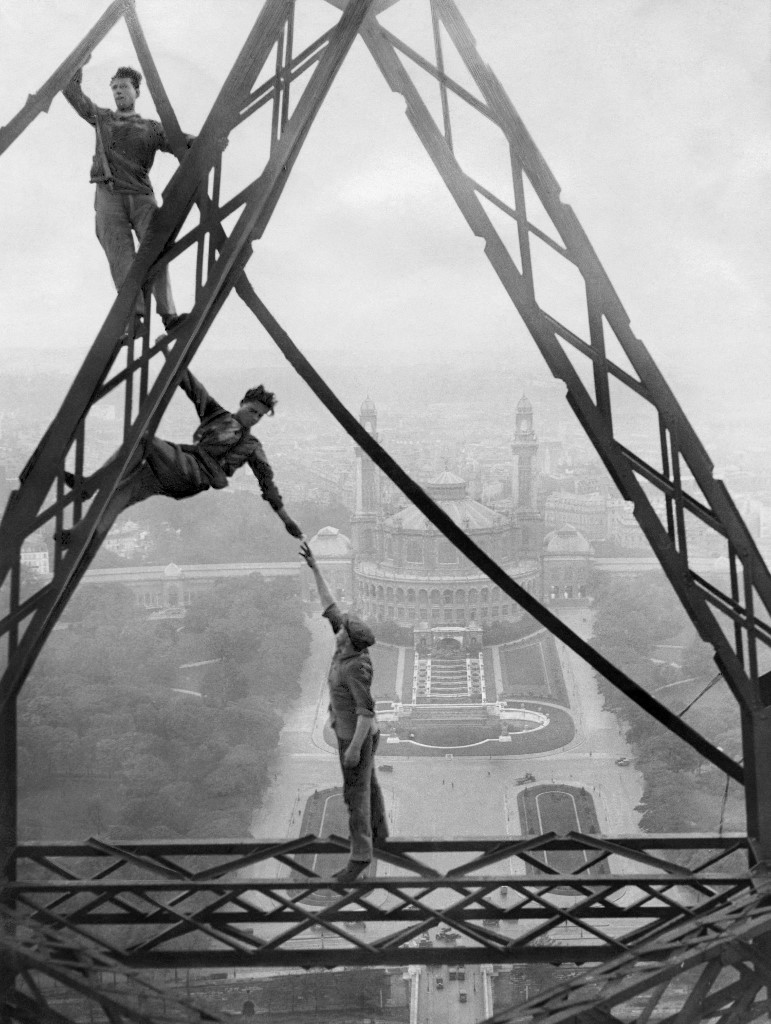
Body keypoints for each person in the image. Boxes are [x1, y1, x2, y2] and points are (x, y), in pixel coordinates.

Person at [58, 369, 303, 550]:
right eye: (252, 411)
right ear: (242, 404)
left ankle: (88, 487)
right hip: (176, 472)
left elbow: (267, 485)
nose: (255, 418)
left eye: (259, 416)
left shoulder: (252, 446)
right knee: (123, 492)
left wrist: (287, 521)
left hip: (194, 473)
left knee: (144, 442)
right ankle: (82, 537)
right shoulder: (217, 415)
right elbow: (193, 387)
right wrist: (169, 347)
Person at [63, 59, 194, 339]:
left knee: (157, 252)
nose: (118, 91)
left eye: (123, 86)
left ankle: (169, 316)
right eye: (114, 88)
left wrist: (204, 141)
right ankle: (134, 320)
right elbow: (72, 92)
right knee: (121, 260)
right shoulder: (103, 118)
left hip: (141, 197)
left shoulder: (151, 127)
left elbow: (180, 142)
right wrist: (81, 60)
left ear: (137, 92)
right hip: (109, 197)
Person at [301, 542, 388, 884]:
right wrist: (315, 568)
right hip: (349, 731)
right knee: (368, 782)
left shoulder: (355, 668)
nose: (336, 630)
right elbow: (330, 604)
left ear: (349, 641)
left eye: (341, 630)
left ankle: (361, 857)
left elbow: (366, 713)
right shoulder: (345, 644)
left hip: (357, 737)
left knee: (355, 795)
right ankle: (380, 832)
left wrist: (353, 749)